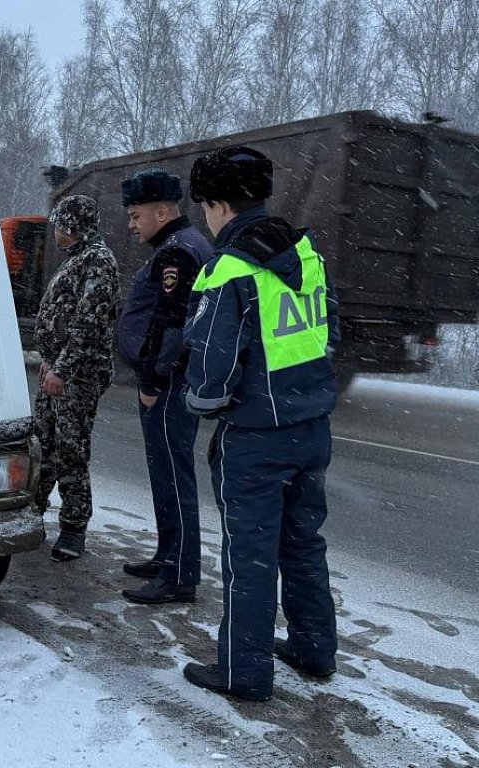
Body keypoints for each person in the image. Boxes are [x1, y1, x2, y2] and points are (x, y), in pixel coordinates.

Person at [181, 146, 340, 701]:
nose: (204, 216)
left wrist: (204, 401)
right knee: (302, 544)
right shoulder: (308, 253)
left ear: (219, 204)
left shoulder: (228, 269)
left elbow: (210, 374)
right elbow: (329, 337)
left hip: (255, 438)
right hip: (312, 429)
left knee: (248, 556)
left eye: (205, 205)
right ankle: (315, 648)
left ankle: (242, 672)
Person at [116, 169, 212, 605]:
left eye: (135, 216)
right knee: (165, 473)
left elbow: (174, 323)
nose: (131, 225)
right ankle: (167, 554)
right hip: (167, 378)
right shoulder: (178, 247)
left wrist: (154, 378)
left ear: (162, 211)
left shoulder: (180, 253)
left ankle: (179, 575)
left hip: (169, 382)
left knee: (174, 475)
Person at [33, 194, 120, 561]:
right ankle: (30, 512)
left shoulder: (98, 261)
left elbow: (89, 323)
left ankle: (73, 528)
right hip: (59, 371)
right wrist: (50, 361)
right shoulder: (78, 259)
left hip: (77, 377)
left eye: (59, 225)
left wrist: (63, 369)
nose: (55, 232)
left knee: (70, 448)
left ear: (72, 227)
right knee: (42, 444)